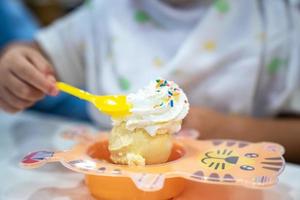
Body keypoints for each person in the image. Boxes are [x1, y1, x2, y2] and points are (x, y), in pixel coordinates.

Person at [0, 0, 299, 162]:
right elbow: (38, 52)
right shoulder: (105, 13)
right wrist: (18, 63)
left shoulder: (276, 19)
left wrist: (227, 129)